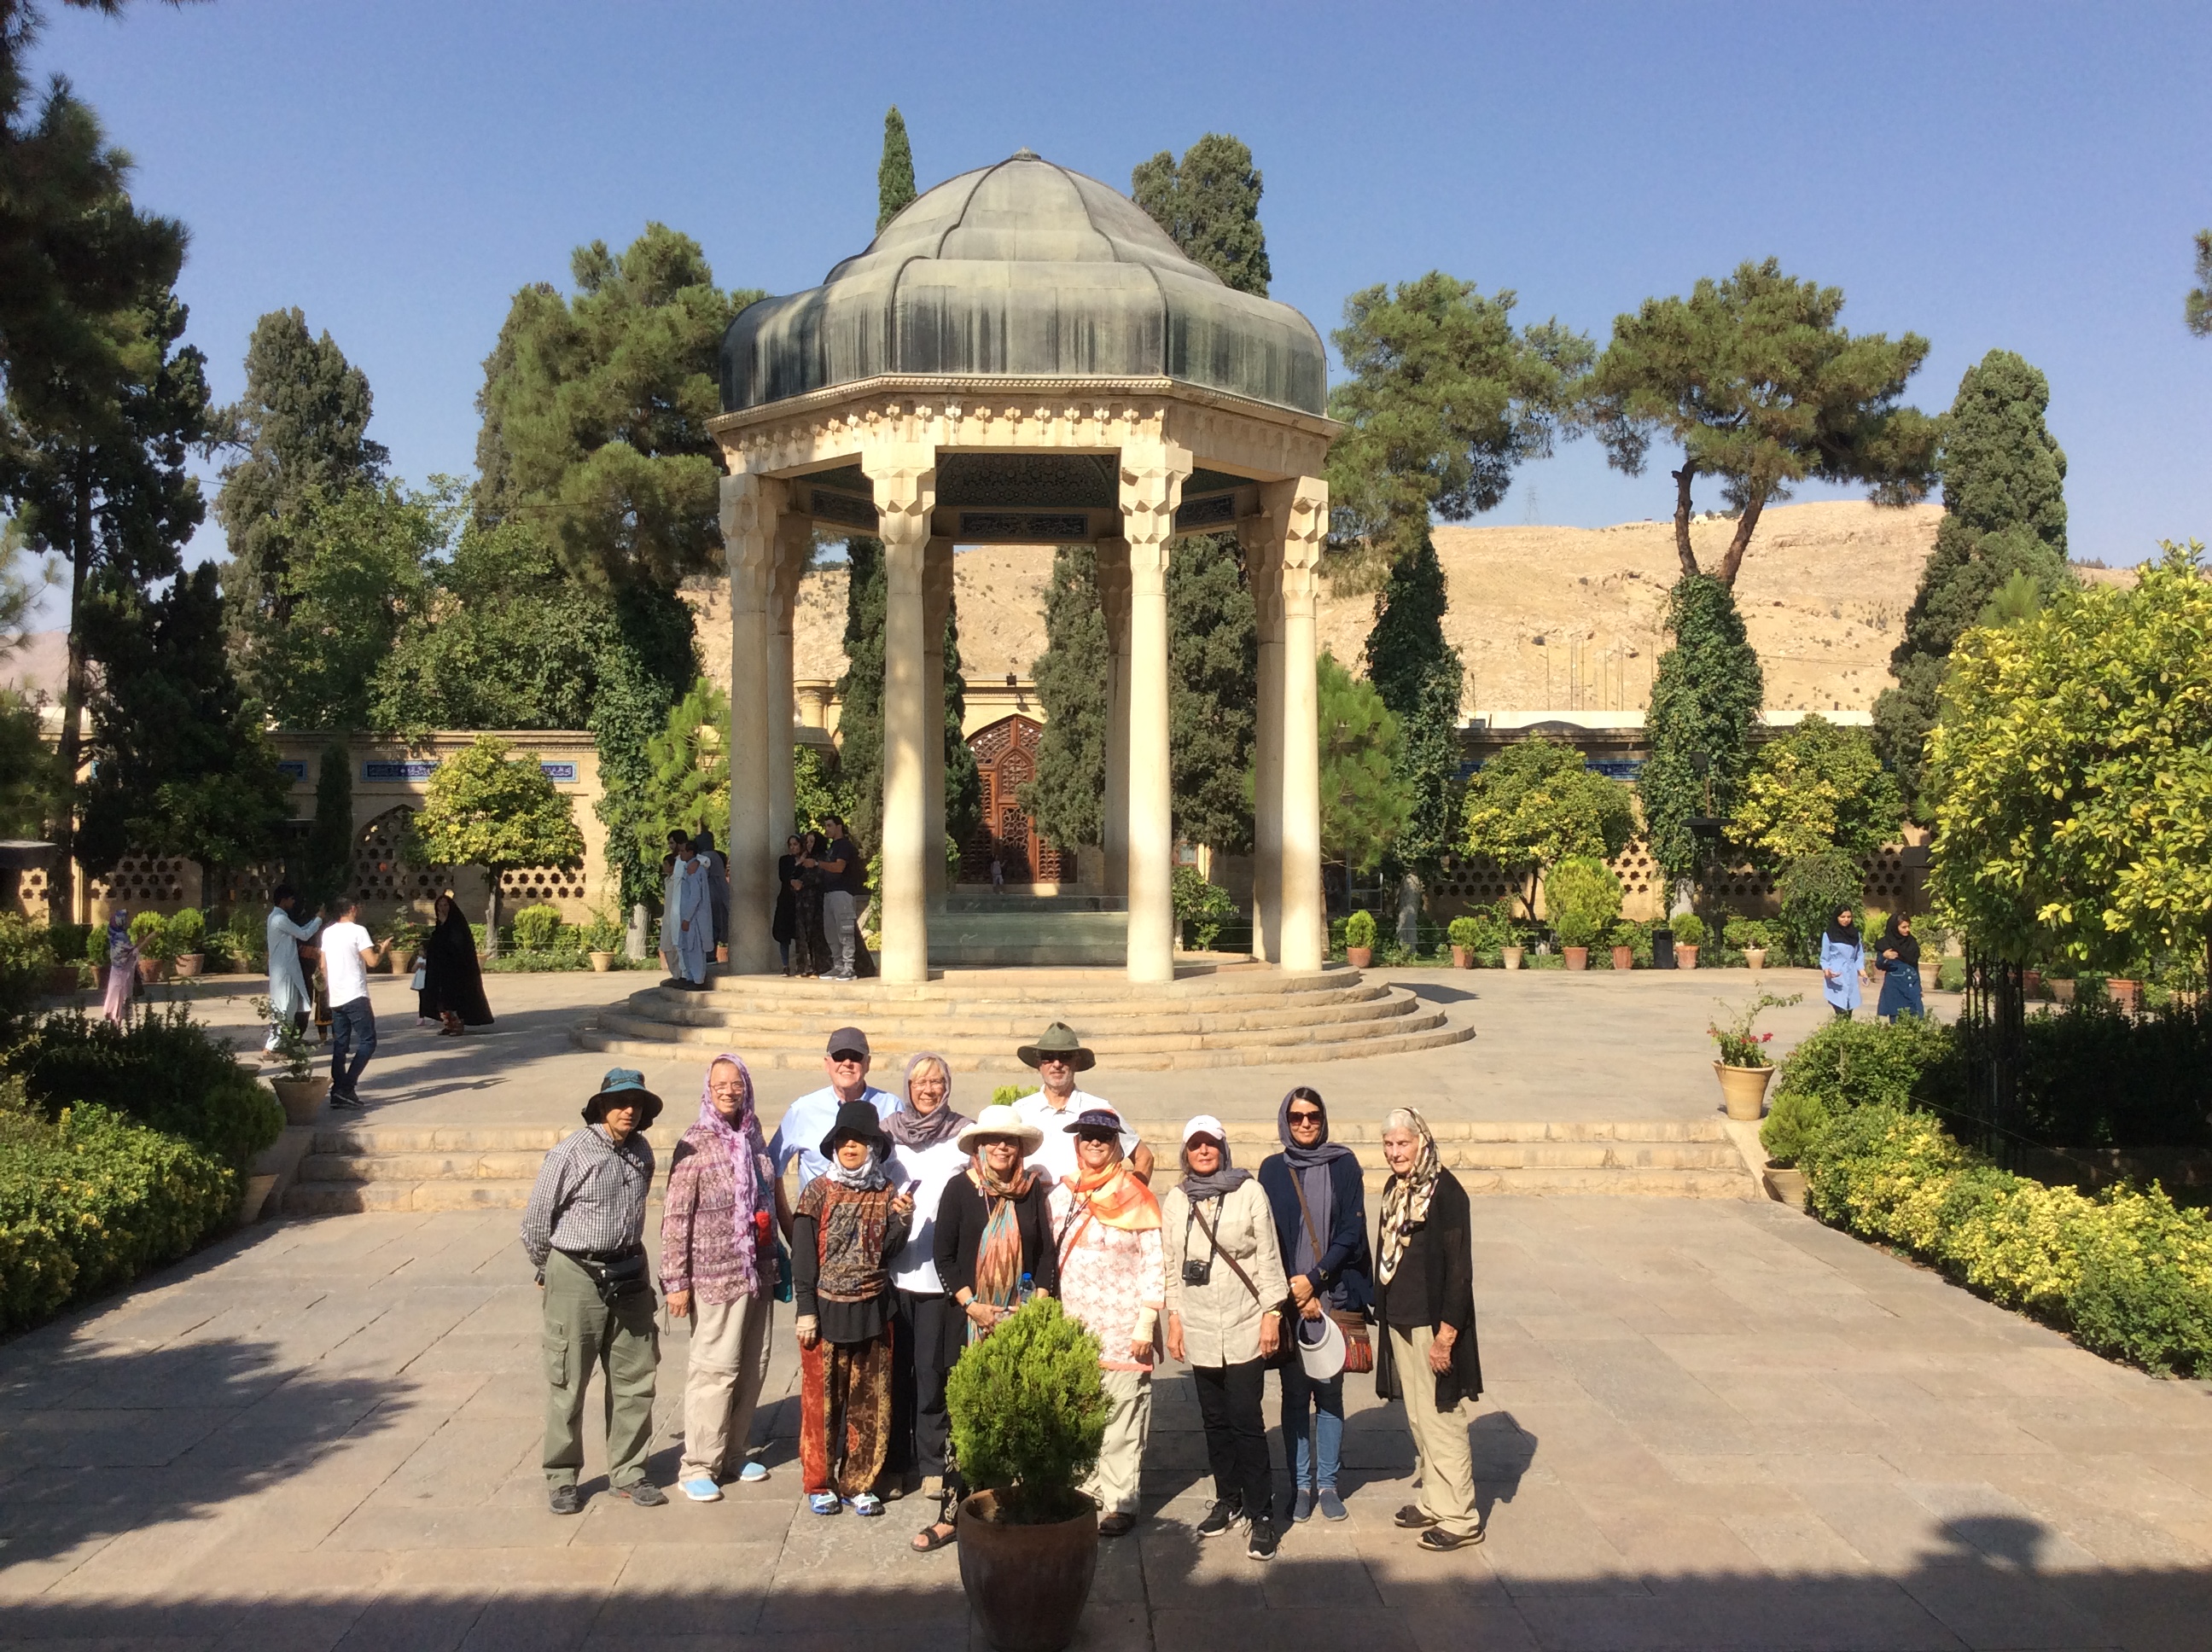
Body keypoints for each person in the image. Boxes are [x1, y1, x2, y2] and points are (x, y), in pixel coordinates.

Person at [520, 1067, 667, 1514]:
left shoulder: (642, 1152)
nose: (629, 1109)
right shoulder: (571, 1152)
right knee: (569, 1378)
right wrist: (550, 1269)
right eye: (620, 1102)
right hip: (576, 1272)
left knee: (636, 1376)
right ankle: (562, 1476)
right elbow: (535, 1222)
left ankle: (630, 1471)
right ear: (600, 1106)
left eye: (636, 1103)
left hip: (629, 1272)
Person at [916, 1102, 1059, 1551]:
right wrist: (972, 1305)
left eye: (1009, 1140)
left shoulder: (1032, 1191)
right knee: (966, 1421)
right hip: (972, 1322)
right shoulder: (960, 1190)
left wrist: (1034, 1306)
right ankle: (952, 1515)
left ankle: (1012, 1509)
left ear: (1019, 1148)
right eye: (993, 1139)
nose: (1001, 1146)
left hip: (1019, 1321)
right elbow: (943, 1256)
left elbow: (1047, 1254)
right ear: (978, 1146)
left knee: (1019, 1418)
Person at [1161, 1114, 1288, 1562]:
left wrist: (1272, 1314)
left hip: (1243, 1320)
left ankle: (1262, 1512)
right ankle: (1228, 1498)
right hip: (1197, 1323)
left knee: (1245, 1419)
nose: (1203, 1152)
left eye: (1210, 1144)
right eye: (1195, 1145)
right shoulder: (1176, 1201)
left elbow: (1269, 1258)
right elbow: (1170, 1264)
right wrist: (1173, 1320)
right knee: (1213, 1419)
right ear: (1185, 1152)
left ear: (1223, 1147)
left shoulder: (1248, 1191)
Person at [662, 1054, 788, 1502]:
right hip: (714, 1277)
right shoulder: (695, 1143)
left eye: (737, 1083)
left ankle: (733, 1453)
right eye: (721, 1084)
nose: (730, 1090)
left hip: (759, 1272)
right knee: (714, 1370)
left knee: (753, 1366)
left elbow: (770, 1201)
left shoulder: (754, 1139)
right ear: (708, 1089)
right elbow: (676, 1217)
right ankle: (698, 1463)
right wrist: (675, 1282)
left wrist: (780, 1253)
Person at [1046, 1105, 1163, 1539]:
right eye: (1087, 1136)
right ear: (1077, 1143)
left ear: (1116, 1144)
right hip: (1075, 1328)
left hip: (1123, 1328)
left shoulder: (1137, 1195)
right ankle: (1086, 1491)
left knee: (1122, 1418)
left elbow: (1155, 1262)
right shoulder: (1062, 1197)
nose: (1094, 1143)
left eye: (1103, 1137)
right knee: (1083, 1415)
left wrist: (1146, 1324)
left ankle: (1119, 1500)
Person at [794, 1100, 914, 1516]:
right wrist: (805, 1310)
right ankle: (820, 1482)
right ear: (833, 1147)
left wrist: (902, 1222)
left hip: (874, 1309)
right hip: (826, 1311)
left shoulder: (885, 1192)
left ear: (873, 1149)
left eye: (860, 1141)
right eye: (844, 1141)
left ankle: (860, 1482)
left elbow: (891, 1252)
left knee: (869, 1402)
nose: (851, 1148)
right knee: (822, 1403)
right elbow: (804, 1257)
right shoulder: (817, 1192)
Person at [1257, 1086, 1371, 1524]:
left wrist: (1315, 1280)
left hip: (1332, 1295)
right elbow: (1265, 1235)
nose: (1306, 1124)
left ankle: (1328, 1483)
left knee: (1329, 1394)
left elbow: (1351, 1232)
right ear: (1286, 1120)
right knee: (1293, 1397)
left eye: (1314, 1116)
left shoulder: (1343, 1164)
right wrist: (1293, 1290)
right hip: (1289, 1302)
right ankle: (1299, 1484)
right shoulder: (1271, 1169)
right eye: (1298, 1116)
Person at [1374, 1107, 1485, 1551]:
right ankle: (1435, 1500)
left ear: (1421, 1142)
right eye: (1389, 1145)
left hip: (1433, 1323)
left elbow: (1459, 1270)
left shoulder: (1446, 1192)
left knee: (1442, 1416)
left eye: (1403, 1143)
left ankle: (1462, 1516)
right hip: (1401, 1316)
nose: (1396, 1152)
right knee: (1418, 1416)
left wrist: (1447, 1335)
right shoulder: (1396, 1188)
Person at [882, 1056, 973, 1509]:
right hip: (893, 1274)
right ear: (908, 1087)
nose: (929, 1090)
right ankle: (896, 1462)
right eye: (920, 1082)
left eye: (938, 1082)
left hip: (942, 1278)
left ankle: (934, 1463)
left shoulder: (964, 1134)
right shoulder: (885, 1134)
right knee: (897, 1374)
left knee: (935, 1374)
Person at [1011, 1021, 1154, 1186]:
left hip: (1086, 1207)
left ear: (1076, 1063)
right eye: (1048, 1057)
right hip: (1032, 1207)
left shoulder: (1099, 1110)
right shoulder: (1020, 1111)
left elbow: (1144, 1157)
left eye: (1065, 1057)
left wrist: (1129, 1199)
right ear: (1039, 1064)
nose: (1057, 1064)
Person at [771, 1028, 899, 1195]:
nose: (847, 1063)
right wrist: (788, 1219)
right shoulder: (803, 1110)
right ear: (827, 1064)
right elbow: (772, 1169)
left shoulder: (892, 1107)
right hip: (817, 1218)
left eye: (855, 1056)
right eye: (839, 1056)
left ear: (868, 1063)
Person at [319, 897, 389, 1111]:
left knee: (341, 1044)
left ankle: (338, 1092)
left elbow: (323, 965)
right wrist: (383, 948)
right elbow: (372, 961)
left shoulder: (328, 933)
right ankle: (346, 1087)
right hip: (355, 995)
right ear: (351, 909)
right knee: (368, 1041)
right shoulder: (358, 931)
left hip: (336, 996)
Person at [419, 892, 492, 1037]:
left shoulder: (456, 924)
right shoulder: (439, 924)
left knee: (455, 998)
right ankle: (449, 1025)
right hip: (440, 970)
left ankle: (458, 1025)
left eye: (445, 905)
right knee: (441, 999)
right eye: (440, 905)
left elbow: (458, 945)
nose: (442, 907)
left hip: (456, 970)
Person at [264, 884, 321, 1051]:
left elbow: (300, 931)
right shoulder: (278, 919)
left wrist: (314, 921)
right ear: (284, 900)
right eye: (291, 899)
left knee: (290, 1007)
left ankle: (283, 1043)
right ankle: (271, 1047)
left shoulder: (281, 918)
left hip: (288, 969)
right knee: (283, 1007)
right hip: (283, 971)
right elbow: (304, 934)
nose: (293, 902)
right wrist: (318, 919)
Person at [816, 815, 864, 980]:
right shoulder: (832, 847)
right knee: (831, 932)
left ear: (839, 827)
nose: (826, 829)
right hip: (829, 893)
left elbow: (838, 867)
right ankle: (838, 966)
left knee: (845, 930)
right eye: (826, 826)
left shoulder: (844, 846)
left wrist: (818, 864)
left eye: (829, 825)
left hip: (842, 893)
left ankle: (849, 967)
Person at [662, 835, 710, 990]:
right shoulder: (679, 862)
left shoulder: (695, 866)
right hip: (678, 912)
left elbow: (695, 895)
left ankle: (697, 979)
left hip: (692, 916)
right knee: (682, 946)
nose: (678, 851)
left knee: (694, 947)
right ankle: (685, 975)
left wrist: (688, 917)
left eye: (673, 843)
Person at [1874, 913, 1924, 1021]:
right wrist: (1884, 956)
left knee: (1916, 1019)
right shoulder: (1885, 943)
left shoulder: (1912, 943)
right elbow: (1879, 965)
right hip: (1895, 987)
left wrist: (1919, 987)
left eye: (1908, 927)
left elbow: (1915, 965)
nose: (1907, 930)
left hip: (1912, 985)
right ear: (1894, 928)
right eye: (1903, 927)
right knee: (1897, 1020)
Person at [1820, 906, 1865, 1019]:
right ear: (1837, 918)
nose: (1846, 920)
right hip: (1836, 974)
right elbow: (1824, 957)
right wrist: (1827, 970)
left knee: (1849, 1009)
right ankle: (1839, 1033)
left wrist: (1862, 971)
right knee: (1840, 1010)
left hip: (1851, 974)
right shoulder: (1829, 935)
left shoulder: (1855, 934)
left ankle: (1845, 1034)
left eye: (1849, 917)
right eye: (1842, 917)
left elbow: (1859, 954)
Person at [693, 829, 731, 959]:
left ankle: (709, 956)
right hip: (719, 893)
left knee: (710, 926)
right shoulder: (716, 855)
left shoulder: (706, 857)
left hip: (711, 894)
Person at [774, 835, 806, 976]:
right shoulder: (784, 860)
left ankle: (801, 964)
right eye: (791, 845)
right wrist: (798, 864)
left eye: (796, 844)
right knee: (783, 935)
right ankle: (785, 965)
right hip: (786, 900)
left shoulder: (808, 860)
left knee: (800, 934)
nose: (793, 847)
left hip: (801, 900)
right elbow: (784, 876)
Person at [100, 908, 136, 1024]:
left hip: (117, 972)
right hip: (122, 974)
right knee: (119, 999)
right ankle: (116, 1029)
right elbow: (133, 951)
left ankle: (114, 1024)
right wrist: (149, 938)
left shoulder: (115, 934)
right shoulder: (121, 937)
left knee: (115, 996)